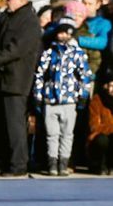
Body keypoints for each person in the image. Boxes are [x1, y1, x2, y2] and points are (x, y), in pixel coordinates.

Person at [0, 0, 41, 177]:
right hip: (4, 79)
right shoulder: (11, 17)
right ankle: (5, 160)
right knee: (4, 124)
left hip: (16, 79)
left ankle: (18, 164)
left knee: (15, 125)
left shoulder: (28, 20)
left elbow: (17, 48)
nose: (6, 2)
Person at [33, 18, 91, 176]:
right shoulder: (49, 53)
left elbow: (85, 76)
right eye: (61, 32)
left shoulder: (78, 54)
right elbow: (39, 75)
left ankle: (63, 163)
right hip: (50, 99)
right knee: (51, 134)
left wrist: (83, 95)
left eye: (67, 33)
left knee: (67, 134)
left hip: (70, 100)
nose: (63, 36)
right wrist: (38, 95)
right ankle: (52, 163)